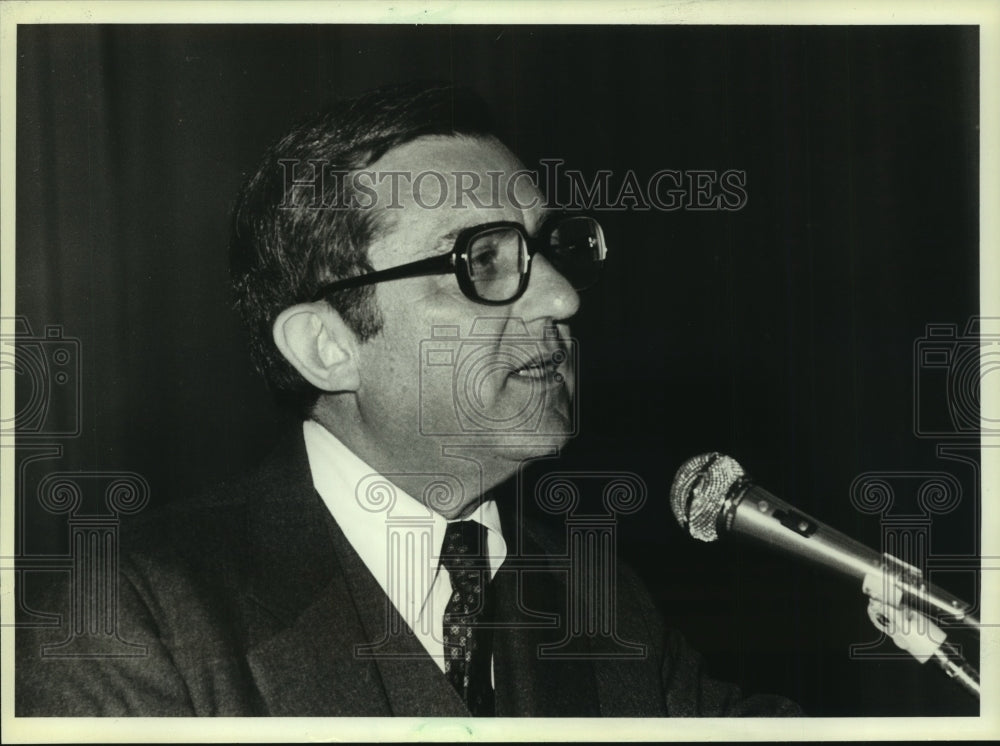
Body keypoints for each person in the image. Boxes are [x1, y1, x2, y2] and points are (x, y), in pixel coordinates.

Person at [16, 82, 800, 717]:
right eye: (480, 260)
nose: (561, 300)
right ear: (328, 346)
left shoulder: (601, 601)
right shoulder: (128, 622)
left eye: (547, 251)